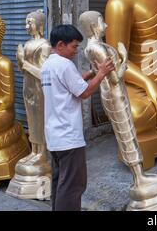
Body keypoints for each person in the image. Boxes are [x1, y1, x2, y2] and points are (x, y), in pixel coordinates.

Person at [41, 24, 115, 211]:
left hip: (55, 136)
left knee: (60, 182)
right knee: (73, 185)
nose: (76, 51)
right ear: (60, 45)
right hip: (68, 137)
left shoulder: (48, 64)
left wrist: (91, 72)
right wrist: (101, 73)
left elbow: (71, 84)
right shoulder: (65, 65)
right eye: (74, 46)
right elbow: (83, 92)